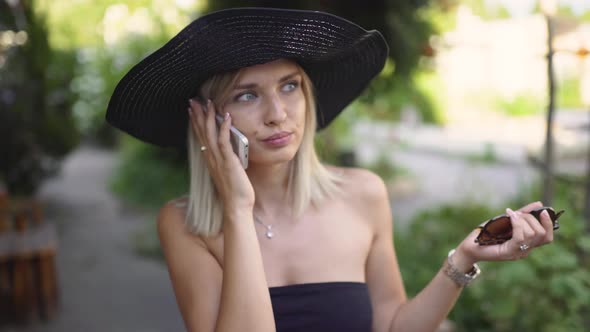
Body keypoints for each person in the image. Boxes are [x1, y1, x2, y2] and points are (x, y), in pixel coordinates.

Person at [106, 7, 556, 332]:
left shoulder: (362, 195)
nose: (278, 113)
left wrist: (464, 258)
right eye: (247, 95)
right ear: (204, 118)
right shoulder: (185, 224)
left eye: (289, 86)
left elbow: (392, 326)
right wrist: (237, 211)